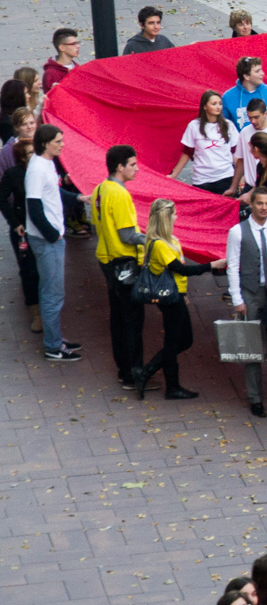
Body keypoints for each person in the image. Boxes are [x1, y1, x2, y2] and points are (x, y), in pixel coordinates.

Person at [132, 199, 214, 400]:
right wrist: (211, 265)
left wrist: (184, 294)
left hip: (176, 295)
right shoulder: (160, 244)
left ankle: (148, 372)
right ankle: (169, 385)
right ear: (166, 218)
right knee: (175, 341)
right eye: (174, 214)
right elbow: (182, 269)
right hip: (170, 298)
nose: (177, 217)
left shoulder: (165, 240)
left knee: (183, 339)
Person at [225, 188, 267, 418]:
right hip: (251, 293)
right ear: (251, 204)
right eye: (260, 203)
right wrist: (237, 299)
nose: (264, 207)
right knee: (252, 348)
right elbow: (232, 266)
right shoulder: (237, 232)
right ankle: (255, 398)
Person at [91, 146, 146, 388]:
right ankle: (134, 373)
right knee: (133, 321)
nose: (136, 169)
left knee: (118, 318)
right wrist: (152, 238)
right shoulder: (120, 195)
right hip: (124, 263)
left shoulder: (100, 189)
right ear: (119, 167)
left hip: (107, 259)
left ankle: (123, 369)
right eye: (132, 164)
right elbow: (127, 235)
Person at [26, 126, 80, 361]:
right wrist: (52, 235)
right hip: (48, 241)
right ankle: (53, 347)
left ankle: (55, 338)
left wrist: (78, 197)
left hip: (50, 239)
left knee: (50, 291)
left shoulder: (47, 163)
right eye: (58, 141)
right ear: (46, 143)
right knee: (53, 294)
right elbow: (34, 207)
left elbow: (54, 193)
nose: (62, 144)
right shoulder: (38, 168)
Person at [0, 135, 41, 334]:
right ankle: (35, 312)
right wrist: (15, 223)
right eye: (30, 153)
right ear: (22, 157)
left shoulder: (43, 170)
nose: (35, 156)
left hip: (41, 229)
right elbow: (1, 198)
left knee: (42, 269)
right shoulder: (13, 174)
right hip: (23, 229)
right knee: (27, 270)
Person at [170, 91, 238, 192]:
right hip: (202, 180)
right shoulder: (194, 126)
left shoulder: (229, 125)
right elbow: (188, 152)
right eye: (214, 104)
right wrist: (174, 174)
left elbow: (235, 152)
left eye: (220, 103)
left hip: (226, 177)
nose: (218, 107)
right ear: (205, 106)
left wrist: (240, 178)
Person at [223, 57, 267, 152]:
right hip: (243, 152)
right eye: (257, 71)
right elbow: (224, 127)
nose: (262, 73)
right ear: (246, 76)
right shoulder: (228, 97)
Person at [226, 105, 267, 204]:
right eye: (250, 117)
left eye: (256, 117)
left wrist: (251, 194)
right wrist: (234, 187)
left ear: (266, 114)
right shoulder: (261, 166)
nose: (253, 121)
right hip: (251, 186)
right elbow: (241, 161)